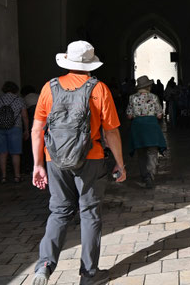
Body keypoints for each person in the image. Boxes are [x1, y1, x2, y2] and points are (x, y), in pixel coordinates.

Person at [31, 41, 126, 285]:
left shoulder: (49, 88)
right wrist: (120, 163)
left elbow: (37, 130)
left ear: (67, 61)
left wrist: (38, 164)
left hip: (55, 159)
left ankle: (44, 265)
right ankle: (89, 274)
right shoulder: (99, 89)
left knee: (59, 211)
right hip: (90, 158)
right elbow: (111, 132)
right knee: (90, 213)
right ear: (91, 64)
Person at [126, 75, 167, 189]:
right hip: (151, 127)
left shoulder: (132, 98)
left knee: (141, 153)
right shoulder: (154, 97)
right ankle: (150, 175)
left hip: (138, 128)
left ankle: (144, 175)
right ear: (148, 86)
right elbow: (159, 115)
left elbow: (129, 115)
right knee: (152, 152)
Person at [0, 81, 30, 183]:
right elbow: (25, 116)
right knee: (15, 153)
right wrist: (26, 130)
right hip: (15, 128)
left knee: (2, 153)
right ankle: (17, 176)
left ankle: (3, 177)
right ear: (16, 89)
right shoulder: (19, 100)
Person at [21, 85, 40, 173]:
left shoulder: (24, 99)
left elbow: (24, 115)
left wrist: (26, 130)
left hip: (31, 125)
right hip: (42, 124)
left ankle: (30, 166)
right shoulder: (39, 96)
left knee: (29, 147)